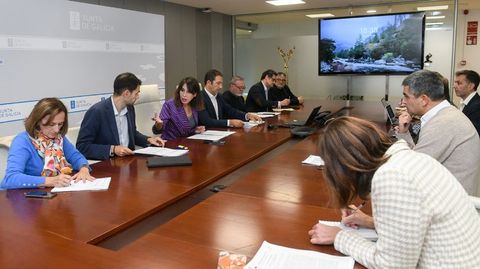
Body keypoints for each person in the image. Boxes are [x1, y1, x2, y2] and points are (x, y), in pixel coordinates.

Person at [308, 116, 480, 268]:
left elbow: (392, 265)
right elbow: (421, 220)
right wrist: (372, 222)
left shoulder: (392, 176)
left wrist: (339, 236)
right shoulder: (410, 159)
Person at [396, 70, 480, 195]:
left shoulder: (444, 123)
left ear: (424, 99)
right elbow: (417, 155)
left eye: (406, 96)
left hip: (451, 206)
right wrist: (404, 133)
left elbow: (410, 169)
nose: (404, 101)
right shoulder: (444, 114)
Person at [2, 98, 94, 189]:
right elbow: (11, 178)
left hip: (51, 194)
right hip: (22, 198)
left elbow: (76, 157)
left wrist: (84, 169)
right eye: (51, 124)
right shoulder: (22, 141)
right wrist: (50, 181)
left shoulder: (58, 137)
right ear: (37, 121)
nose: (57, 130)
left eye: (60, 124)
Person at [76, 72, 165, 160]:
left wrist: (148, 140)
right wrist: (113, 149)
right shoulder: (97, 112)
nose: (138, 97)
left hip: (129, 161)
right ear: (126, 93)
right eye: (136, 93)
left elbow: (132, 134)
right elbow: (82, 146)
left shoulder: (130, 108)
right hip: (108, 164)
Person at [454, 70, 480, 134]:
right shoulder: (466, 102)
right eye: (455, 83)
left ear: (471, 86)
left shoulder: (477, 106)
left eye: (459, 83)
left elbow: (473, 134)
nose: (454, 86)